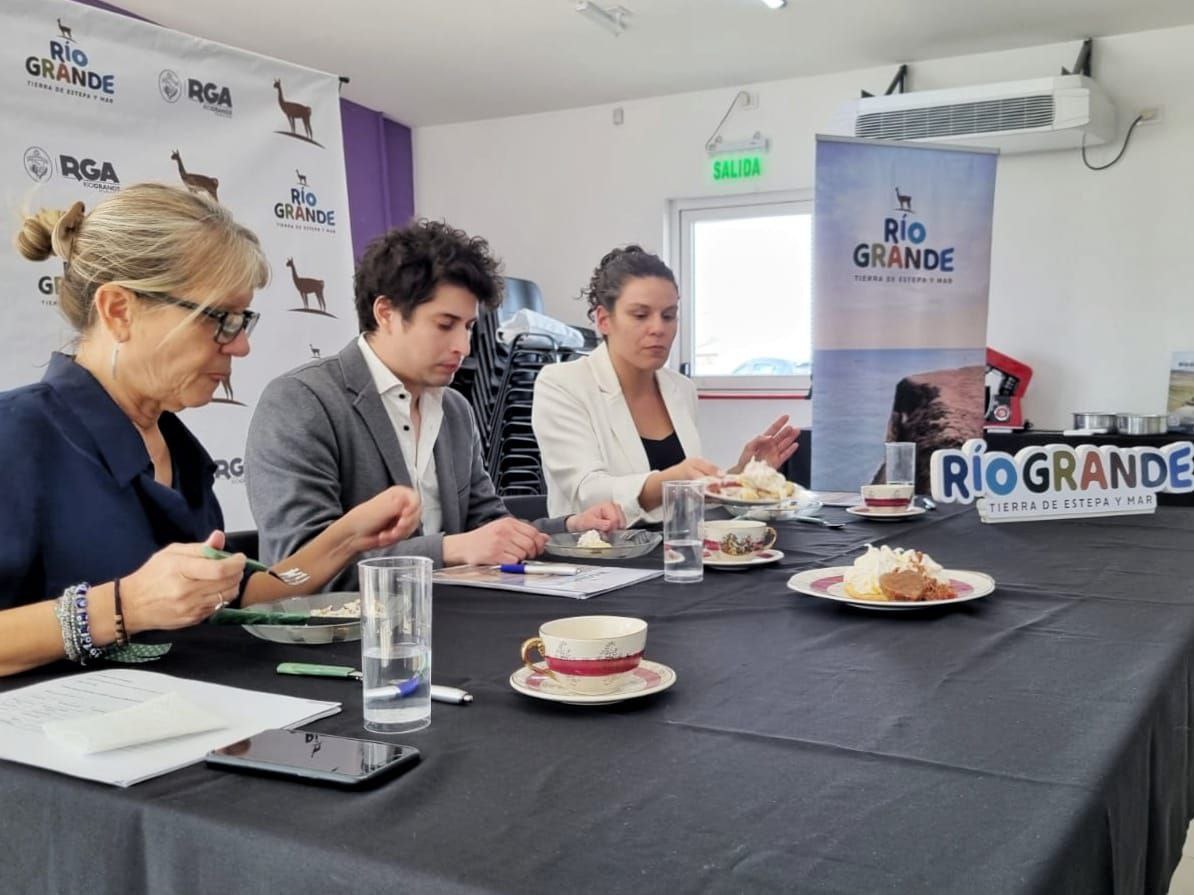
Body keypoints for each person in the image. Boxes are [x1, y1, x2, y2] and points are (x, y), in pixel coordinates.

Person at [0, 184, 422, 678]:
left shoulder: (178, 448)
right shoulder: (17, 438)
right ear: (119, 310)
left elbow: (247, 596)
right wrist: (125, 606)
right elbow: (136, 607)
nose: (240, 346)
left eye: (244, 320)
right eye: (220, 319)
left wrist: (346, 540)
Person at [245, 220, 623, 588]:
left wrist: (569, 528)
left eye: (469, 327)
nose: (464, 346)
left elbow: (487, 526)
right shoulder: (302, 403)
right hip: (344, 640)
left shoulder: (455, 410)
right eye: (445, 325)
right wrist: (451, 548)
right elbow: (294, 569)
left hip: (442, 621)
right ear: (386, 313)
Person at [533, 246, 799, 526]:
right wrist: (673, 479)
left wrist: (741, 475)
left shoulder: (681, 388)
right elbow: (588, 494)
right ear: (603, 320)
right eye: (640, 315)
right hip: (600, 557)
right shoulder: (562, 384)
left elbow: (687, 497)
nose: (658, 328)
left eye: (669, 316)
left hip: (679, 553)